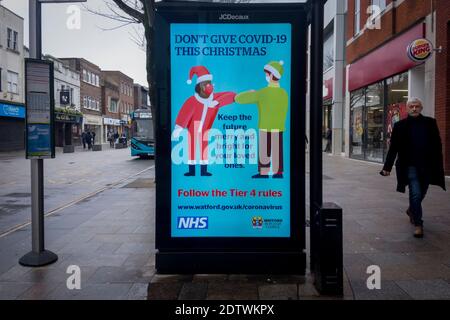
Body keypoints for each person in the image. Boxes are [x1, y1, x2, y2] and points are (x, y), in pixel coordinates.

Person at [381, 97, 446, 238]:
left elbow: (437, 144)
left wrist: (438, 163)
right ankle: (418, 224)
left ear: (421, 108)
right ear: (408, 108)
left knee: (422, 192)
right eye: (412, 106)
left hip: (427, 166)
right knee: (415, 193)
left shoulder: (430, 123)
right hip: (409, 166)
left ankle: (412, 210)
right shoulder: (400, 125)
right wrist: (387, 167)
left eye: (417, 106)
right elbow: (394, 148)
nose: (414, 108)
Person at [172, 65, 236, 177]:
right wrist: (178, 128)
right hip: (194, 127)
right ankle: (191, 171)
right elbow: (185, 113)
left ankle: (203, 171)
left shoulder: (213, 98)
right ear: (201, 86)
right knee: (191, 148)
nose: (212, 86)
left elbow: (231, 95)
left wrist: (217, 102)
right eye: (209, 84)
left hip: (206, 128)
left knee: (204, 148)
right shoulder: (193, 100)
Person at [235, 60, 288, 179]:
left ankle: (263, 173)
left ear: (271, 75)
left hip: (265, 125)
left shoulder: (262, 93)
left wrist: (249, 92)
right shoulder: (284, 93)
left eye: (266, 74)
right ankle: (278, 172)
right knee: (277, 150)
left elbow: (239, 99)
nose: (266, 76)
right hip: (278, 126)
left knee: (264, 150)